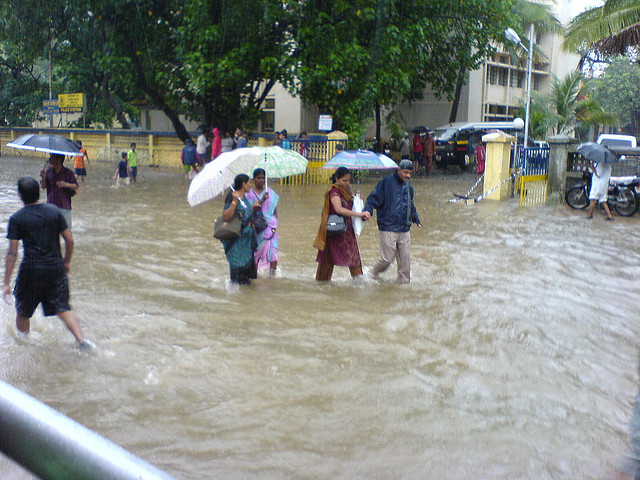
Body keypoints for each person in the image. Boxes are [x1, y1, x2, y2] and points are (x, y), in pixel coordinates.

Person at [3, 177, 90, 350]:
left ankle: (25, 345)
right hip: (55, 268)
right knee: (63, 308)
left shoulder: (17, 218)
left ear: (20, 195)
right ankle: (81, 341)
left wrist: (6, 283)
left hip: (31, 271)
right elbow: (70, 240)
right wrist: (66, 262)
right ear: (38, 193)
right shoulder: (54, 211)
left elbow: (12, 253)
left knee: (23, 312)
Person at [364, 159, 422, 284]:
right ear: (398, 170)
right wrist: (368, 211)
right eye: (405, 172)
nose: (407, 175)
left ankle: (403, 286)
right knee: (387, 259)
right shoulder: (386, 183)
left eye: (410, 173)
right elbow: (372, 199)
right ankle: (371, 273)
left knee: (405, 261)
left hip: (404, 228)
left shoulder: (409, 186)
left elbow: (410, 204)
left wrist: (415, 218)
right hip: (388, 227)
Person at [313, 167, 371, 282]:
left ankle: (360, 283)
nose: (347, 183)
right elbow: (339, 209)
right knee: (327, 261)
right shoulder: (334, 192)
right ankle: (321, 284)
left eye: (349, 180)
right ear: (336, 178)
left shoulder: (347, 191)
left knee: (354, 259)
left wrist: (357, 199)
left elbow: (350, 205)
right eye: (344, 180)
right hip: (335, 231)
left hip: (347, 230)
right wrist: (359, 214)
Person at [219, 174, 257, 285]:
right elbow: (227, 216)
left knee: (246, 277)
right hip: (236, 241)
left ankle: (245, 298)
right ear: (243, 184)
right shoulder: (232, 196)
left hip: (246, 242)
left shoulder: (244, 197)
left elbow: (244, 214)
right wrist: (235, 201)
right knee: (237, 273)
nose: (250, 185)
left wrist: (253, 207)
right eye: (249, 182)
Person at [246, 168, 279, 275]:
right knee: (255, 255)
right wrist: (263, 199)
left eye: (263, 178)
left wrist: (274, 226)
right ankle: (254, 276)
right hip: (256, 228)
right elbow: (249, 210)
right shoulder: (249, 194)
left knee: (273, 254)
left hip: (270, 228)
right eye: (258, 178)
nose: (261, 180)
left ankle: (272, 276)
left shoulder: (271, 193)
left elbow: (274, 211)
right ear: (253, 179)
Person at [40, 153, 78, 229]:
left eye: (52, 156)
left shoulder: (68, 172)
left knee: (67, 233)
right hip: (51, 207)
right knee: (51, 233)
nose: (50, 158)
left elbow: (76, 186)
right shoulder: (48, 172)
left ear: (59, 158)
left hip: (65, 207)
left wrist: (66, 184)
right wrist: (43, 177)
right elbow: (43, 187)